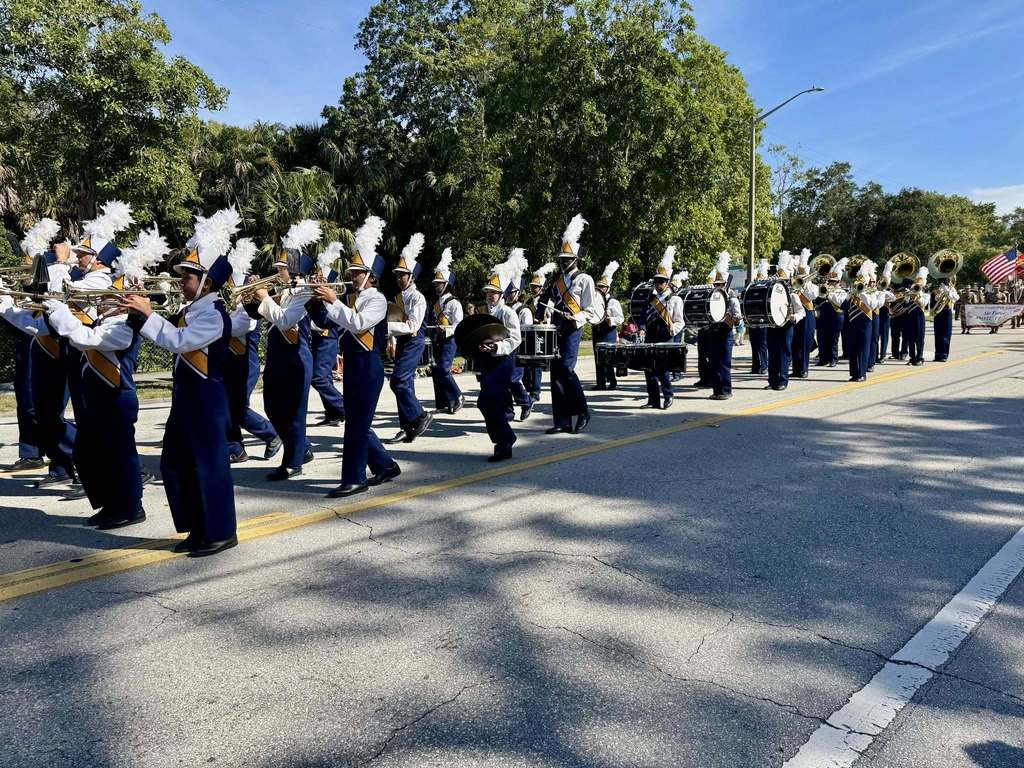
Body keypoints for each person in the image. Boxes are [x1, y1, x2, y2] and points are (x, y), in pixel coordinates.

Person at [121, 208, 239, 557]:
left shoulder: (215, 316)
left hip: (207, 399)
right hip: (186, 398)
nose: (181, 282)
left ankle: (220, 531)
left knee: (210, 466)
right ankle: (198, 527)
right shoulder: (191, 312)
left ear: (207, 283)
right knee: (176, 463)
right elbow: (164, 330)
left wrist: (147, 313)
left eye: (188, 277)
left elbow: (178, 341)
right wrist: (138, 305)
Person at [43, 224, 168, 528]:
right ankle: (110, 503)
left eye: (113, 295)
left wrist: (58, 310)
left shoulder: (124, 323)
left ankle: (130, 507)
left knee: (119, 454)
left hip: (117, 396)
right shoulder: (107, 315)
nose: (106, 298)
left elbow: (88, 339)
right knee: (90, 454)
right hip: (98, 395)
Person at [312, 215, 399, 498]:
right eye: (351, 271)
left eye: (358, 272)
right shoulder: (350, 299)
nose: (352, 276)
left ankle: (354, 478)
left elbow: (359, 323)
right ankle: (385, 466)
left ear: (371, 275)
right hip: (353, 367)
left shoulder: (377, 299)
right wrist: (316, 299)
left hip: (368, 367)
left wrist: (334, 301)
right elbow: (326, 324)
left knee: (357, 425)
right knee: (357, 421)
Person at [257, 219, 319, 480]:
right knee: (271, 407)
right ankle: (301, 447)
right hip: (277, 357)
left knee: (294, 411)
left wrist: (263, 298)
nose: (277, 272)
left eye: (281, 268)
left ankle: (293, 462)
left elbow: (285, 320)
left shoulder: (304, 292)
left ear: (293, 269)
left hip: (296, 358)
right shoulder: (283, 290)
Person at [536, 214, 601, 433]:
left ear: (575, 259)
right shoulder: (557, 282)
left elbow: (591, 309)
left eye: (567, 258)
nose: (563, 262)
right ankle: (561, 421)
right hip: (557, 329)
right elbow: (549, 303)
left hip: (573, 329)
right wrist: (542, 311)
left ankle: (583, 410)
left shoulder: (585, 279)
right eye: (561, 259)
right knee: (556, 373)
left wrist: (577, 318)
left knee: (567, 369)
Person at [223, 239, 281, 463]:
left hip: (246, 362)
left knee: (237, 408)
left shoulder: (252, 302)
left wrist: (217, 323)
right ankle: (236, 449)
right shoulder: (232, 300)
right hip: (229, 361)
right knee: (228, 406)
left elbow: (243, 326)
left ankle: (271, 434)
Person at [386, 233, 432, 443]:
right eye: (397, 275)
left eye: (402, 275)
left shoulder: (418, 297)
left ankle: (421, 415)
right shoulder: (397, 297)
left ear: (412, 276)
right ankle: (407, 426)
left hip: (414, 341)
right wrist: (391, 341)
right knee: (406, 384)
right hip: (402, 342)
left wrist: (386, 329)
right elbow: (396, 318)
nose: (398, 278)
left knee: (398, 381)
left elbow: (412, 325)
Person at [478, 258, 523, 461]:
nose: (490, 295)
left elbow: (515, 338)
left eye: (493, 292)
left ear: (501, 294)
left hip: (503, 362)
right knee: (486, 403)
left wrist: (496, 347)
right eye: (488, 291)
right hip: (487, 362)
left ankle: (504, 440)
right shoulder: (483, 311)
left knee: (489, 401)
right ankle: (503, 439)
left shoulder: (508, 312)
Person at [308, 241, 346, 427]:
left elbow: (328, 321)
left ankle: (344, 407)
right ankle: (333, 413)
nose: (316, 282)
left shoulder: (331, 299)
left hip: (327, 337)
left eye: (320, 280)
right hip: (317, 338)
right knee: (325, 377)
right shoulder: (315, 299)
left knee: (318, 377)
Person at [641, 247, 685, 408]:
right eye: (656, 281)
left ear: (667, 282)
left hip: (666, 337)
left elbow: (680, 322)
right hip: (650, 337)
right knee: (649, 370)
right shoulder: (651, 298)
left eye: (661, 281)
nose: (658, 284)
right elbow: (643, 317)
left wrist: (673, 329)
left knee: (663, 370)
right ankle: (653, 400)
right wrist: (641, 327)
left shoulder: (675, 299)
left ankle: (668, 395)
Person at [428, 247, 464, 414]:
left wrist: (446, 329)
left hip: (450, 339)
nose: (437, 286)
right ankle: (443, 402)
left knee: (443, 369)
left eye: (440, 284)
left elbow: (459, 325)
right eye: (436, 284)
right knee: (436, 370)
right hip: (438, 338)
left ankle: (458, 396)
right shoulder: (436, 302)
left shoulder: (454, 303)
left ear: (447, 284)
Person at [766, 251, 804, 390]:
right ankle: (772, 381)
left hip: (786, 325)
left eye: (783, 281)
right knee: (773, 353)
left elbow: (802, 311)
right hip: (772, 325)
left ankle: (782, 381)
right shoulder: (771, 294)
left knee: (784, 353)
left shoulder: (792, 295)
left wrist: (795, 317)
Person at [707, 252, 741, 401]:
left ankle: (726, 390)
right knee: (714, 362)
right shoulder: (711, 299)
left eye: (720, 284)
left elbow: (737, 318)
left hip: (726, 333)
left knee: (724, 363)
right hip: (714, 332)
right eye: (716, 284)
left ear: (725, 285)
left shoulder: (732, 299)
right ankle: (716, 390)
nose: (717, 287)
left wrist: (737, 319)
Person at [843, 260, 881, 382]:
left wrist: (862, 293)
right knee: (853, 347)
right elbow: (844, 306)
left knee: (863, 348)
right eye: (858, 282)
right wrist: (849, 295)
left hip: (865, 322)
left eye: (862, 282)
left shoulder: (872, 293)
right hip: (853, 321)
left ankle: (862, 373)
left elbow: (873, 305)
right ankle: (854, 373)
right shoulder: (854, 292)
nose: (859, 284)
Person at [522, 263, 555, 403]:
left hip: (540, 334)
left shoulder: (548, 301)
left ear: (542, 287)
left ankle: (535, 392)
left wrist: (543, 321)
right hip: (529, 333)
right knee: (526, 363)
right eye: (531, 286)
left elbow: (550, 318)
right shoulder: (529, 300)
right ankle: (528, 389)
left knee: (536, 365)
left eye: (535, 286)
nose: (533, 289)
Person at [592, 260, 624, 390]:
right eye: (598, 286)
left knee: (608, 358)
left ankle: (612, 381)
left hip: (608, 332)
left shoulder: (613, 302)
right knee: (598, 357)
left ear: (608, 288)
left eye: (602, 287)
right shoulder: (594, 301)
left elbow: (620, 318)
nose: (599, 289)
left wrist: (610, 319)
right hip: (597, 330)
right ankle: (600, 383)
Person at [816, 258, 848, 368]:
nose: (831, 283)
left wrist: (829, 295)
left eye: (834, 282)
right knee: (821, 338)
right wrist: (822, 294)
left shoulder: (842, 292)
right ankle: (823, 359)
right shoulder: (823, 289)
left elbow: (840, 303)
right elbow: (817, 302)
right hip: (823, 317)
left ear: (838, 282)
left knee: (833, 339)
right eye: (830, 281)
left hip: (836, 317)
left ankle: (833, 359)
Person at [790, 248, 817, 378]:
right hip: (796, 314)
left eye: (802, 274)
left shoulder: (812, 286)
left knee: (805, 342)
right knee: (795, 342)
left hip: (808, 314)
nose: (800, 276)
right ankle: (796, 369)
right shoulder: (794, 283)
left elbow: (812, 296)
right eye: (798, 274)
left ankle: (804, 369)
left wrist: (805, 283)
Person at [748, 258, 769, 375]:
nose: (758, 280)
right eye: (758, 278)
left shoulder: (767, 290)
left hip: (763, 320)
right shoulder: (752, 289)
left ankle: (764, 366)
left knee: (762, 344)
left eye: (761, 278)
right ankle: (755, 366)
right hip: (752, 319)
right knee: (754, 343)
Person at [905, 267, 930, 366]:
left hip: (919, 317)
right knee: (910, 338)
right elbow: (905, 305)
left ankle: (919, 357)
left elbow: (923, 303)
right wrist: (907, 296)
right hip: (910, 316)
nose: (916, 286)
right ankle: (912, 357)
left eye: (919, 285)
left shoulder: (925, 295)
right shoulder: (910, 293)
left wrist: (917, 295)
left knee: (919, 338)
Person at [931, 279, 959, 362]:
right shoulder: (936, 290)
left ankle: (944, 355)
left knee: (946, 333)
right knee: (938, 333)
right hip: (938, 312)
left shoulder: (951, 289)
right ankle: (938, 354)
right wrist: (937, 295)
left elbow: (956, 297)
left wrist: (947, 291)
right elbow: (934, 301)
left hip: (947, 311)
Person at [876, 260, 896, 363]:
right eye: (882, 281)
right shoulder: (875, 289)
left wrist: (883, 292)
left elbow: (893, 298)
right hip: (876, 313)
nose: (883, 283)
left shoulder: (888, 292)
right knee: (875, 336)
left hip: (885, 314)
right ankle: (874, 355)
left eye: (885, 282)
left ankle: (882, 355)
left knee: (884, 336)